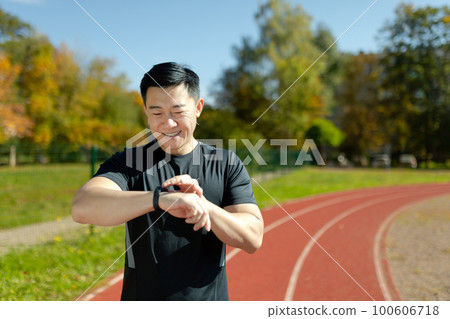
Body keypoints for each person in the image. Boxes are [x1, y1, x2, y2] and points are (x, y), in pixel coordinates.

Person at [71, 62, 264, 301]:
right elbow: (81, 208)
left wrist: (205, 207)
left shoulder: (226, 164)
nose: (168, 124)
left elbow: (253, 238)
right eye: (157, 113)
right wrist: (160, 199)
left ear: (198, 108)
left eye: (178, 111)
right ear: (146, 112)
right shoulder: (131, 162)